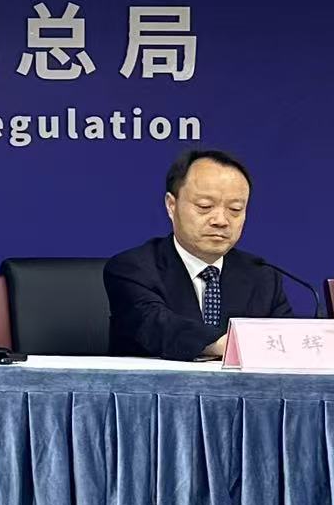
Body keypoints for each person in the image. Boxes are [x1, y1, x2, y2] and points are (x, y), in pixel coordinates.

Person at [104, 148, 294, 361]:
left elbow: (287, 342)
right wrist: (228, 345)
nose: (220, 220)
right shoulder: (133, 268)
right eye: (205, 206)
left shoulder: (262, 276)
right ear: (171, 205)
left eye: (235, 209)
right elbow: (157, 324)